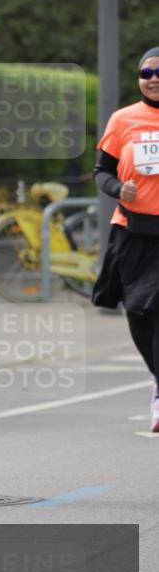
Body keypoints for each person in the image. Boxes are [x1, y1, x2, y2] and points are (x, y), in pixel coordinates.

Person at [92, 46, 159, 433]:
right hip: (132, 230)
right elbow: (102, 171)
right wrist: (119, 188)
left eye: (158, 72)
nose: (152, 79)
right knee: (136, 310)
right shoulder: (124, 120)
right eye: (145, 72)